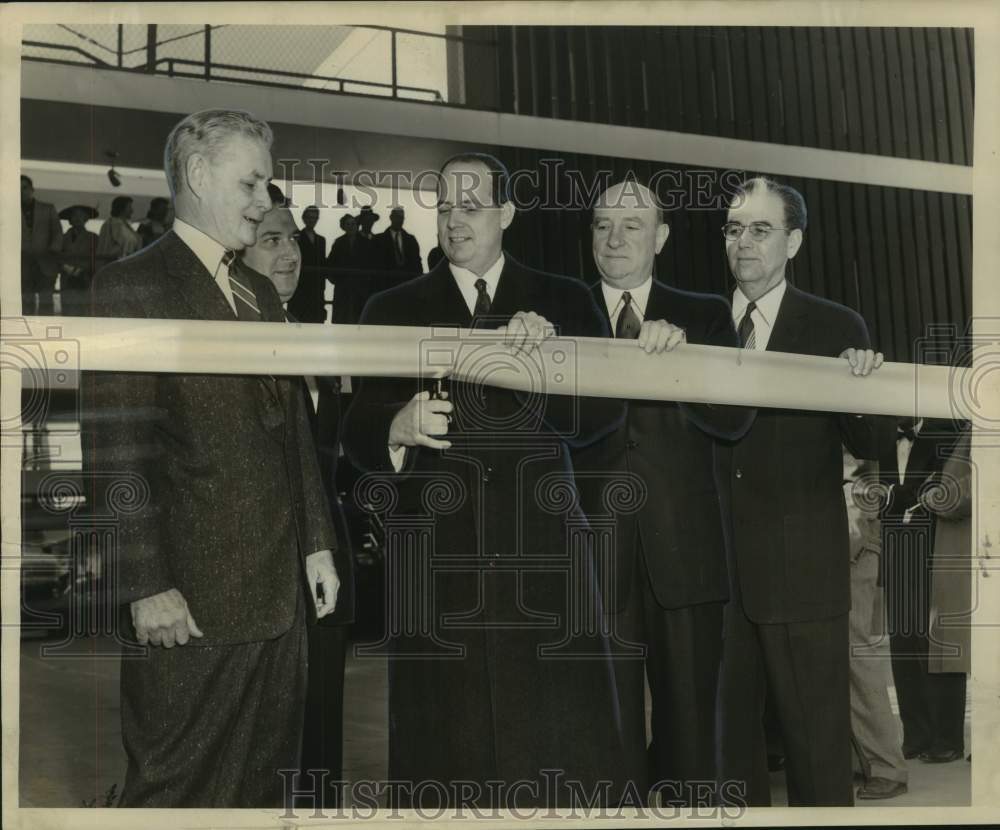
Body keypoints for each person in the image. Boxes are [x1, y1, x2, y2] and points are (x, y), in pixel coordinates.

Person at [341, 152, 629, 808]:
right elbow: (354, 429)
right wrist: (398, 423)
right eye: (443, 209)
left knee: (558, 751)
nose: (453, 221)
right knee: (443, 752)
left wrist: (546, 365)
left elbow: (601, 418)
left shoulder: (564, 299)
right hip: (437, 562)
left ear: (506, 213)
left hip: (544, 557)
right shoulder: (392, 305)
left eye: (470, 208)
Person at [85, 108, 340, 808]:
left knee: (262, 789)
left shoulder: (257, 292)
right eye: (251, 184)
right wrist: (144, 584)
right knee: (175, 792)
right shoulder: (131, 286)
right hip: (189, 603)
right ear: (199, 176)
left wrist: (317, 544)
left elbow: (290, 430)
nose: (265, 203)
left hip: (279, 597)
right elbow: (114, 453)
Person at [570, 180, 752, 805]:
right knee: (603, 732)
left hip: (686, 554)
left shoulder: (704, 313)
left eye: (632, 226)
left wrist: (685, 363)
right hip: (593, 557)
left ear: (662, 237)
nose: (614, 239)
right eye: (602, 226)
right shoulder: (563, 313)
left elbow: (734, 422)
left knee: (692, 734)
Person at [715, 176, 883, 807]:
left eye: (761, 229)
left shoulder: (837, 325)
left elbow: (871, 443)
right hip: (718, 579)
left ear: (794, 242)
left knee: (816, 754)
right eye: (734, 229)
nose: (745, 243)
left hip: (805, 576)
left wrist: (863, 386)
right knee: (729, 757)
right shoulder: (697, 322)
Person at [239, 183, 356, 799]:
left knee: (320, 747)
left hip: (324, 571)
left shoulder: (317, 339)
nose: (290, 253)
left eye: (294, 240)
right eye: (271, 240)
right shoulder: (226, 344)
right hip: (255, 574)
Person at [879, 417, 966, 763]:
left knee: (937, 642)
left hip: (936, 550)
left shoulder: (950, 431)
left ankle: (947, 739)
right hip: (896, 549)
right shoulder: (880, 436)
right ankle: (915, 735)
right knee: (903, 643)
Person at [843, 448, 909, 800]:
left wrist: (851, 538)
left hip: (851, 540)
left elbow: (863, 480)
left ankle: (886, 766)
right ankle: (867, 760)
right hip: (852, 535)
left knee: (852, 653)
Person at [20, 174, 63, 315]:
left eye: (24, 187)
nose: (21, 191)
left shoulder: (48, 208)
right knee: (25, 301)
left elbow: (57, 233)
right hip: (21, 264)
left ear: (32, 189)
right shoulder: (7, 210)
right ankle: (28, 334)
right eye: (18, 188)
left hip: (46, 263)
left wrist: (51, 253)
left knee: (46, 300)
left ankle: (45, 332)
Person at [287, 204, 328, 323]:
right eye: (309, 217)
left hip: (316, 288)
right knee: (298, 319)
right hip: (300, 285)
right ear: (304, 218)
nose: (312, 220)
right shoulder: (295, 237)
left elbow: (322, 263)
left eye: (314, 218)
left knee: (315, 320)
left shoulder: (321, 240)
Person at [58, 204, 99, 316]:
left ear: (86, 219)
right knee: (68, 311)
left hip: (85, 280)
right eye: (74, 216)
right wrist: (66, 267)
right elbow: (56, 256)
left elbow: (97, 258)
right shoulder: (62, 238)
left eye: (81, 216)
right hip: (67, 280)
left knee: (85, 312)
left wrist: (81, 270)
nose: (77, 218)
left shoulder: (93, 238)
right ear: (69, 220)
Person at [375, 206, 422, 276]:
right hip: (387, 282)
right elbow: (377, 264)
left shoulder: (411, 240)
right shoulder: (379, 240)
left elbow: (417, 263)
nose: (399, 220)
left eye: (401, 218)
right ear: (391, 217)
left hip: (407, 281)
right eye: (397, 217)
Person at [96, 195, 143, 261]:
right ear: (121, 208)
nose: (132, 210)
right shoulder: (113, 223)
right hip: (115, 263)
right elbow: (123, 242)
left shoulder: (125, 225)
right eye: (129, 207)